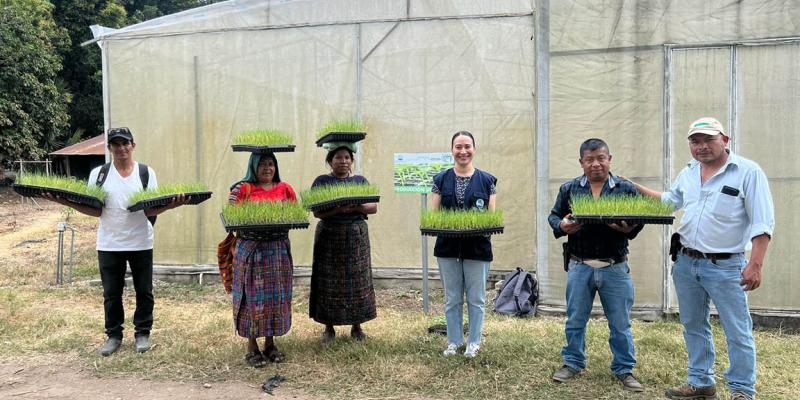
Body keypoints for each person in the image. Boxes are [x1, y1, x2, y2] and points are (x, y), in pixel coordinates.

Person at [630, 118, 774, 400]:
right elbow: (671, 201)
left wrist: (755, 264)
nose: (702, 146)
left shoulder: (747, 172)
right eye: (695, 141)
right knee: (694, 324)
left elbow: (762, 222)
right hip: (686, 262)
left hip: (726, 265)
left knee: (737, 329)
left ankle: (742, 390)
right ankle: (701, 382)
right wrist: (633, 186)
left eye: (709, 139)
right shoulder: (689, 172)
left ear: (725, 140)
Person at [46, 127, 186, 356]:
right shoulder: (99, 175)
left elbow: (151, 208)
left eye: (125, 143)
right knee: (111, 293)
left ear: (133, 145)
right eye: (115, 144)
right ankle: (114, 335)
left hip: (141, 241)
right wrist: (67, 202)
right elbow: (95, 210)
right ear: (109, 148)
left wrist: (174, 204)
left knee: (144, 291)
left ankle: (142, 332)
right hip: (109, 243)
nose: (121, 148)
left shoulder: (145, 173)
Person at [547, 138, 645, 392]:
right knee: (575, 319)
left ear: (609, 159)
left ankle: (624, 368)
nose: (596, 164)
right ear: (581, 162)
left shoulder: (625, 188)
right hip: (580, 265)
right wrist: (562, 226)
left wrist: (628, 228)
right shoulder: (570, 189)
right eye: (589, 160)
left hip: (615, 266)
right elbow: (554, 215)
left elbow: (640, 219)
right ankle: (572, 362)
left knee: (620, 323)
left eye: (601, 158)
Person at [430, 131, 497, 358]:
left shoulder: (487, 181)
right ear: (452, 150)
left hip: (477, 249)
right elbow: (434, 215)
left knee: (476, 299)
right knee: (452, 298)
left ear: (474, 149)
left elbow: (491, 217)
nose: (463, 151)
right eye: (458, 147)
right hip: (447, 248)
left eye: (467, 146)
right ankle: (454, 341)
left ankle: (474, 342)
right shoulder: (440, 180)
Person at [227, 152, 297, 367]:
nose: (267, 169)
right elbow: (230, 216)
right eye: (262, 165)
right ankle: (251, 347)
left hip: (277, 251)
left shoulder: (285, 188)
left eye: (271, 164)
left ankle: (270, 344)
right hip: (251, 250)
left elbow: (295, 213)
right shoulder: (242, 189)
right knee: (252, 298)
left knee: (275, 298)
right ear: (253, 167)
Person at [309, 143, 378, 342]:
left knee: (357, 280)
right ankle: (328, 327)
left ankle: (357, 326)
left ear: (351, 161)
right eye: (338, 157)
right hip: (329, 236)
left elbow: (372, 207)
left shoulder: (360, 181)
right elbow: (316, 212)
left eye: (347, 157)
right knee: (327, 280)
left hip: (356, 236)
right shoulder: (322, 182)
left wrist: (356, 206)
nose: (343, 161)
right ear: (330, 161)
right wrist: (338, 210)